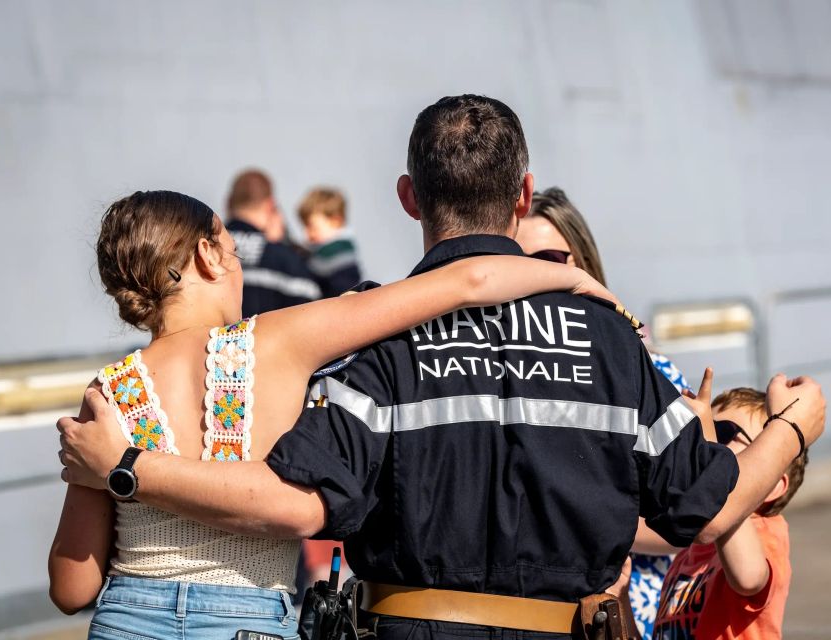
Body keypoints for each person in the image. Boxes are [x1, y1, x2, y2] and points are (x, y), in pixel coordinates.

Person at [58, 95, 826, 640]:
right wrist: (790, 430)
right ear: (522, 195)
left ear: (408, 197)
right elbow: (709, 509)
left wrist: (126, 467)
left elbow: (82, 583)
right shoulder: (606, 337)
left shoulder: (376, 343)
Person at [47, 189, 617, 638]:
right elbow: (467, 282)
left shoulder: (109, 394)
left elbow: (73, 586)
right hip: (247, 625)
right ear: (206, 255)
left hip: (125, 620)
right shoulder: (278, 341)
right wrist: (569, 277)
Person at [515, 187, 688, 639]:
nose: (536, 274)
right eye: (517, 261)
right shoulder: (507, 371)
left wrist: (572, 519)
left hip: (630, 612)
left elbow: (684, 516)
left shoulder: (648, 369)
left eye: (551, 257)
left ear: (584, 263)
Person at [652, 387, 809, 639]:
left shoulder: (766, 535)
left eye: (723, 433)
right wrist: (622, 600)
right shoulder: (689, 553)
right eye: (704, 430)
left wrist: (708, 448)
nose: (706, 445)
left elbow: (748, 578)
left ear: (770, 485)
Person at [227, 169, 322, 313]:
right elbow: (313, 315)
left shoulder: (203, 250)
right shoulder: (288, 260)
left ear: (229, 203)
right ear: (270, 205)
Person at [297, 187, 363, 296]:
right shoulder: (330, 249)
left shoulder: (337, 249)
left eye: (312, 227)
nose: (307, 233)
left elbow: (314, 269)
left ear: (335, 221)